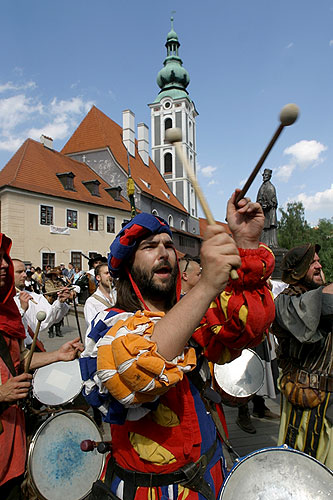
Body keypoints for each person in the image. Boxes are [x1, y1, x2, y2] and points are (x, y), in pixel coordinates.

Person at [80, 191, 275, 500]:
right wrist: (209, 284)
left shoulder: (190, 313)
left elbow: (247, 328)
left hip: (209, 476)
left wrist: (246, 244)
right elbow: (138, 367)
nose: (164, 252)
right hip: (152, 491)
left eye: (169, 245)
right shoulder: (110, 322)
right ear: (127, 267)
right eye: (149, 246)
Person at [0, 234, 83, 499]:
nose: (4, 265)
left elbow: (18, 363)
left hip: (13, 445)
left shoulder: (6, 315)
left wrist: (57, 355)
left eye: (4, 258)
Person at [272, 244, 333, 468]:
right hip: (306, 403)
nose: (318, 265)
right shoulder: (284, 303)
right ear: (297, 271)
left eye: (318, 261)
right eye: (312, 262)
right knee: (303, 469)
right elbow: (316, 308)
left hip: (330, 403)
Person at [13, 259, 71, 346]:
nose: (25, 275)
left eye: (24, 271)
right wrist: (21, 310)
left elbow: (50, 318)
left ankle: (56, 331)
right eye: (19, 272)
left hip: (33, 350)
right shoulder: (4, 301)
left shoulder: (34, 297)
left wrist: (60, 302)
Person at [83, 263, 117, 328]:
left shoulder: (118, 296)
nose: (110, 276)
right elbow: (92, 327)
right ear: (98, 277)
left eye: (111, 273)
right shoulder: (91, 302)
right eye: (106, 273)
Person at [256, 168, 278, 247]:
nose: (264, 176)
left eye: (266, 175)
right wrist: (261, 204)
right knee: (262, 228)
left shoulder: (271, 187)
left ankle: (271, 244)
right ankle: (263, 244)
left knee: (270, 228)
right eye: (263, 175)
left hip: (269, 213)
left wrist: (268, 205)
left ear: (269, 176)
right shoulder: (261, 187)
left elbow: (274, 202)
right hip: (263, 212)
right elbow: (259, 199)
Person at [44, 267, 67, 338]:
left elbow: (63, 288)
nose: (55, 276)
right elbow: (49, 290)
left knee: (59, 316)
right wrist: (58, 289)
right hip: (51, 300)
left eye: (56, 275)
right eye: (54, 275)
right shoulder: (48, 282)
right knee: (51, 315)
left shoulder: (60, 281)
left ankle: (58, 330)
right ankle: (50, 331)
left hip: (59, 300)